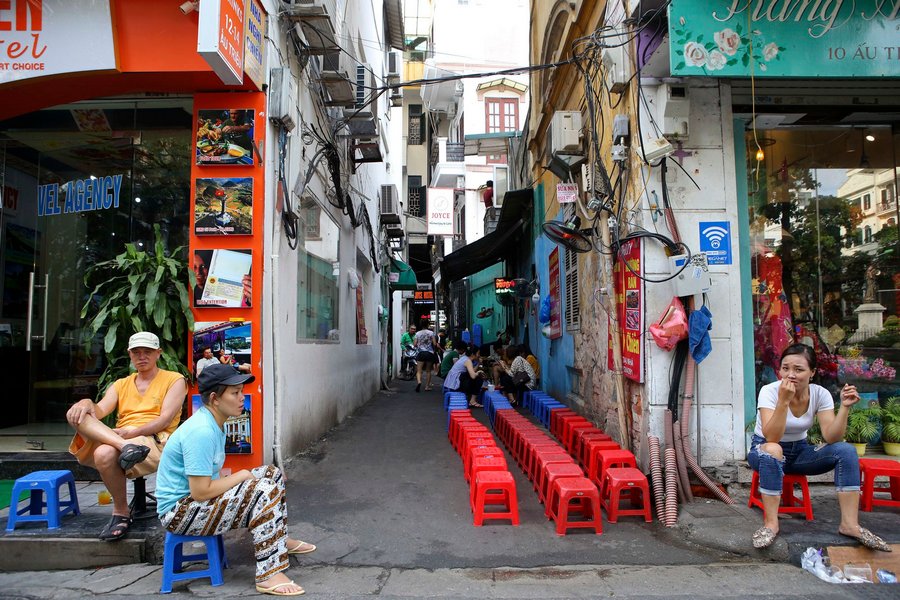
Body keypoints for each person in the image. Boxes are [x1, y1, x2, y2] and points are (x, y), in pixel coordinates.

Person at [156, 363, 314, 597]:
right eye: (235, 393)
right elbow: (200, 492)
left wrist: (241, 482)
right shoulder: (201, 431)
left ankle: (278, 538)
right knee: (263, 490)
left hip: (194, 503)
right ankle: (269, 575)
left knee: (272, 474)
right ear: (215, 398)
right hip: (180, 513)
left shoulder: (214, 423)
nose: (242, 398)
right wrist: (241, 477)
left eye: (241, 392)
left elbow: (209, 479)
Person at [747, 343, 891, 552]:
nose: (790, 374)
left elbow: (831, 437)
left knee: (846, 451)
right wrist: (783, 402)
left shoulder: (820, 394)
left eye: (798, 369)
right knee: (773, 450)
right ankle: (771, 524)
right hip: (765, 450)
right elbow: (772, 437)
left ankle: (850, 524)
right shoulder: (770, 391)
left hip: (800, 452)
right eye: (785, 368)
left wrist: (844, 408)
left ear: (812, 373)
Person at [66, 331, 187, 541]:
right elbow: (100, 410)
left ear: (158, 353)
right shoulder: (121, 384)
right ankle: (124, 451)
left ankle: (120, 512)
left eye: (147, 351)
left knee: (104, 452)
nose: (142, 356)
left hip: (154, 439)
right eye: (137, 352)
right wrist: (86, 403)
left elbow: (165, 420)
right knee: (76, 415)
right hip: (123, 439)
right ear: (130, 355)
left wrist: (135, 432)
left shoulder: (175, 380)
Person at [413, 319, 441, 392]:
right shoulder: (431, 333)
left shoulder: (417, 333)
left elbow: (415, 344)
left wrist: (419, 345)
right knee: (428, 371)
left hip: (421, 353)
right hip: (429, 353)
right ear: (428, 324)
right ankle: (427, 386)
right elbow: (435, 344)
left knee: (419, 371)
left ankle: (419, 382)